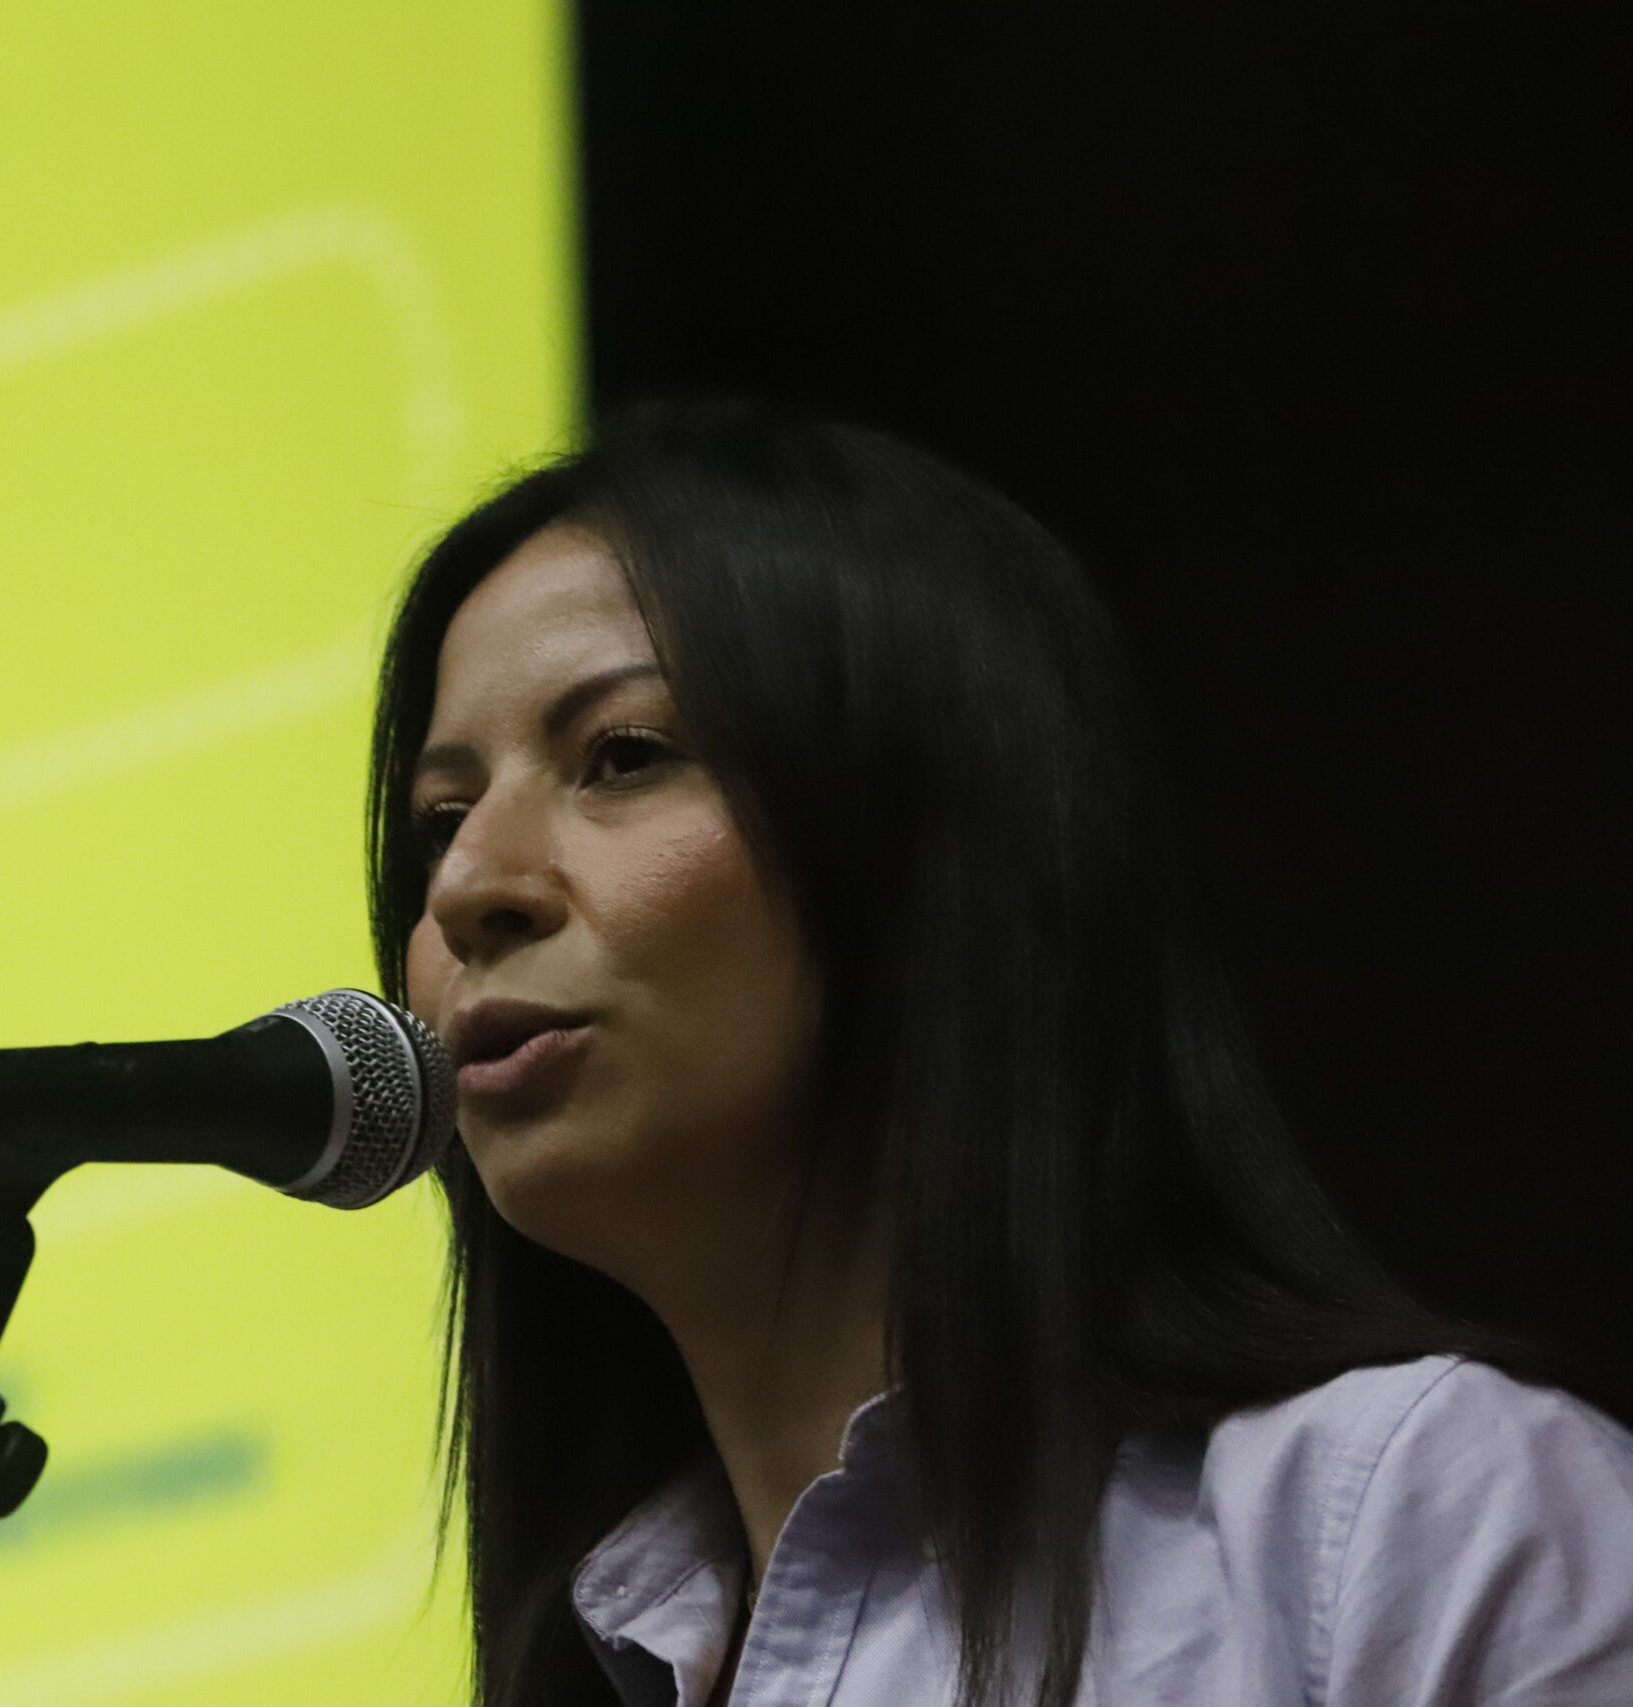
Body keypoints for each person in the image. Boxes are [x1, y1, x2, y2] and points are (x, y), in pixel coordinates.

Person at [365, 400, 1633, 1707]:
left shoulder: (1413, 1516)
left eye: (622, 755)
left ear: (933, 850)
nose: (466, 887)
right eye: (443, 816)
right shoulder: (605, 1654)